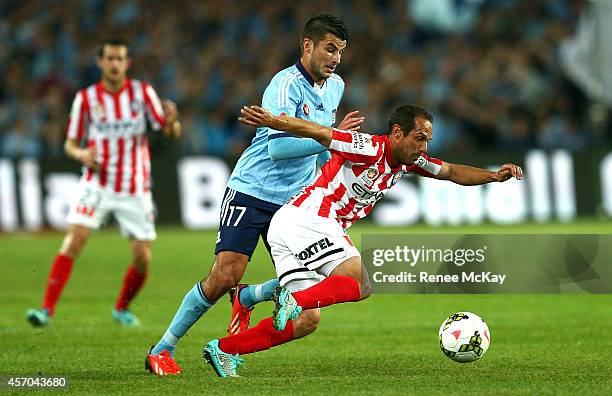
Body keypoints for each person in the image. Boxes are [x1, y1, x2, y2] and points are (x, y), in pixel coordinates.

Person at [202, 104, 524, 377]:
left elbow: (452, 171)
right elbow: (320, 133)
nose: (424, 147)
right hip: (310, 218)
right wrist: (274, 122)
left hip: (293, 227)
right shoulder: (368, 147)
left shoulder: (410, 162)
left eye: (427, 140)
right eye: (419, 138)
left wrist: (493, 175)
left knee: (306, 322)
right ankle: (291, 298)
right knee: (361, 283)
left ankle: (224, 349)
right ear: (397, 132)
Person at [145, 14, 364, 376]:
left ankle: (250, 297)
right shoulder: (284, 85)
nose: (336, 57)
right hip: (252, 190)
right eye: (329, 48)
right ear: (307, 45)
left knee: (314, 300)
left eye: (340, 51)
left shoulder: (336, 86)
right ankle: (163, 348)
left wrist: (335, 173)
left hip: (297, 201)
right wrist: (329, 133)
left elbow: (325, 148)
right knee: (225, 275)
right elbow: (278, 148)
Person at [26, 38, 182, 328]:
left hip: (135, 187)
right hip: (97, 183)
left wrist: (172, 121)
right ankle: (45, 309)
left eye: (119, 59)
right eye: (109, 58)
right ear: (100, 62)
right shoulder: (87, 99)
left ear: (127, 63)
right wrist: (82, 153)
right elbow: (70, 144)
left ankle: (121, 308)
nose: (114, 64)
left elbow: (169, 132)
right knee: (75, 239)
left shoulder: (142, 93)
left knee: (143, 259)